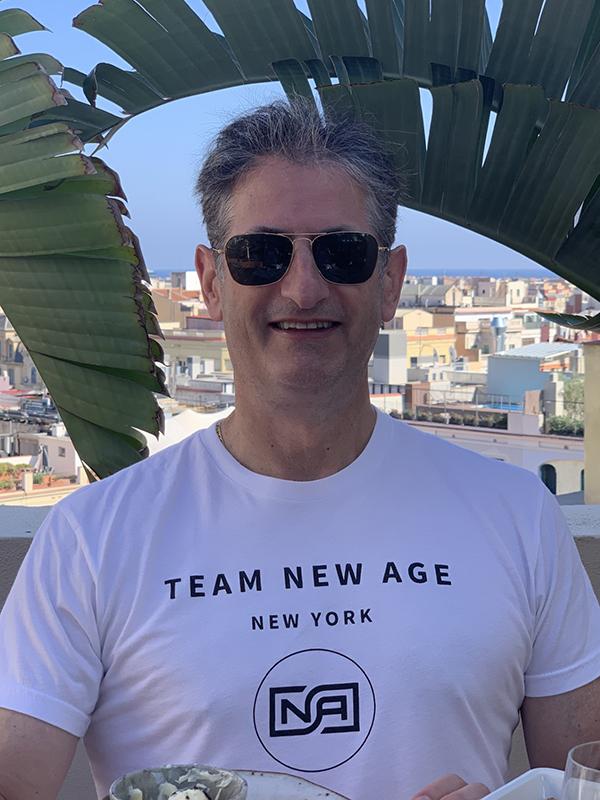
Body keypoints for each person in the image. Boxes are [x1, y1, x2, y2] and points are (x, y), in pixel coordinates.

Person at [0, 100, 599, 800]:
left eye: (342, 253)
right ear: (211, 281)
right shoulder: (92, 539)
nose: (304, 287)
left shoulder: (517, 517)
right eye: (261, 255)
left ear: (390, 281)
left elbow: (585, 779)